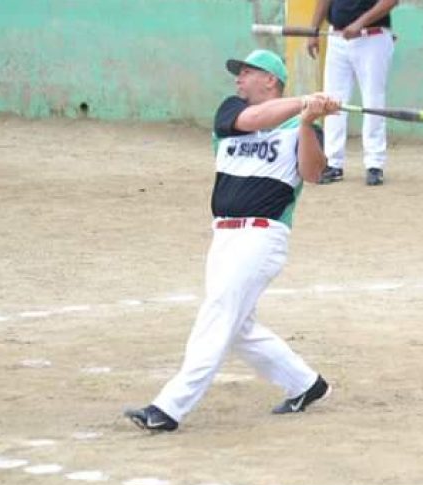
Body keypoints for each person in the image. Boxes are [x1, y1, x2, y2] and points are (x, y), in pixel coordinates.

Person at [124, 49, 341, 432]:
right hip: (223, 235)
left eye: (246, 72)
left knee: (218, 314)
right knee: (238, 327)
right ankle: (306, 384)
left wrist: (308, 121)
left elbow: (312, 173)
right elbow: (256, 119)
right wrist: (305, 102)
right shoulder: (231, 113)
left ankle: (169, 408)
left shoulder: (300, 126)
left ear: (270, 80)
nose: (238, 79)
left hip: (262, 236)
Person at [306, 0, 398, 186]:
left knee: (373, 101)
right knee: (332, 100)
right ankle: (333, 163)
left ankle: (374, 164)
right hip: (337, 37)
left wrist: (359, 23)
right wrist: (313, 30)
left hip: (372, 37)